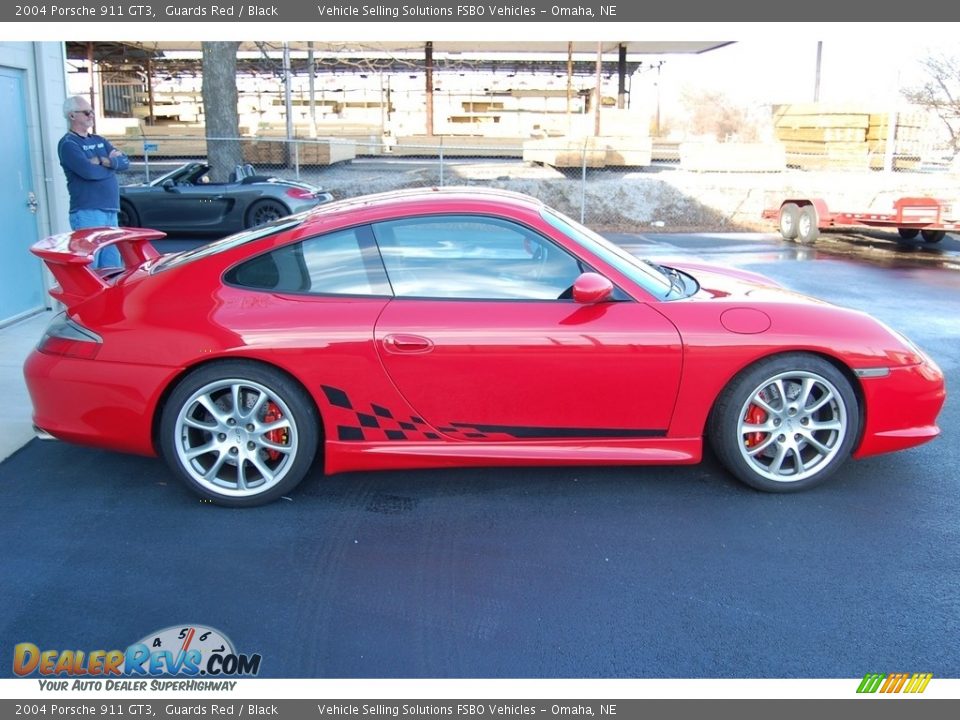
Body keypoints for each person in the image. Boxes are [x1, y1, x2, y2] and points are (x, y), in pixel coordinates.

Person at [57, 95, 129, 268]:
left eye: (92, 112)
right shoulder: (68, 144)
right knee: (90, 266)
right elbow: (88, 172)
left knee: (112, 267)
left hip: (110, 210)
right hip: (88, 212)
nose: (91, 115)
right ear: (72, 115)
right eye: (86, 112)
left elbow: (125, 163)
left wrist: (103, 161)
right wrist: (111, 167)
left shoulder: (99, 140)